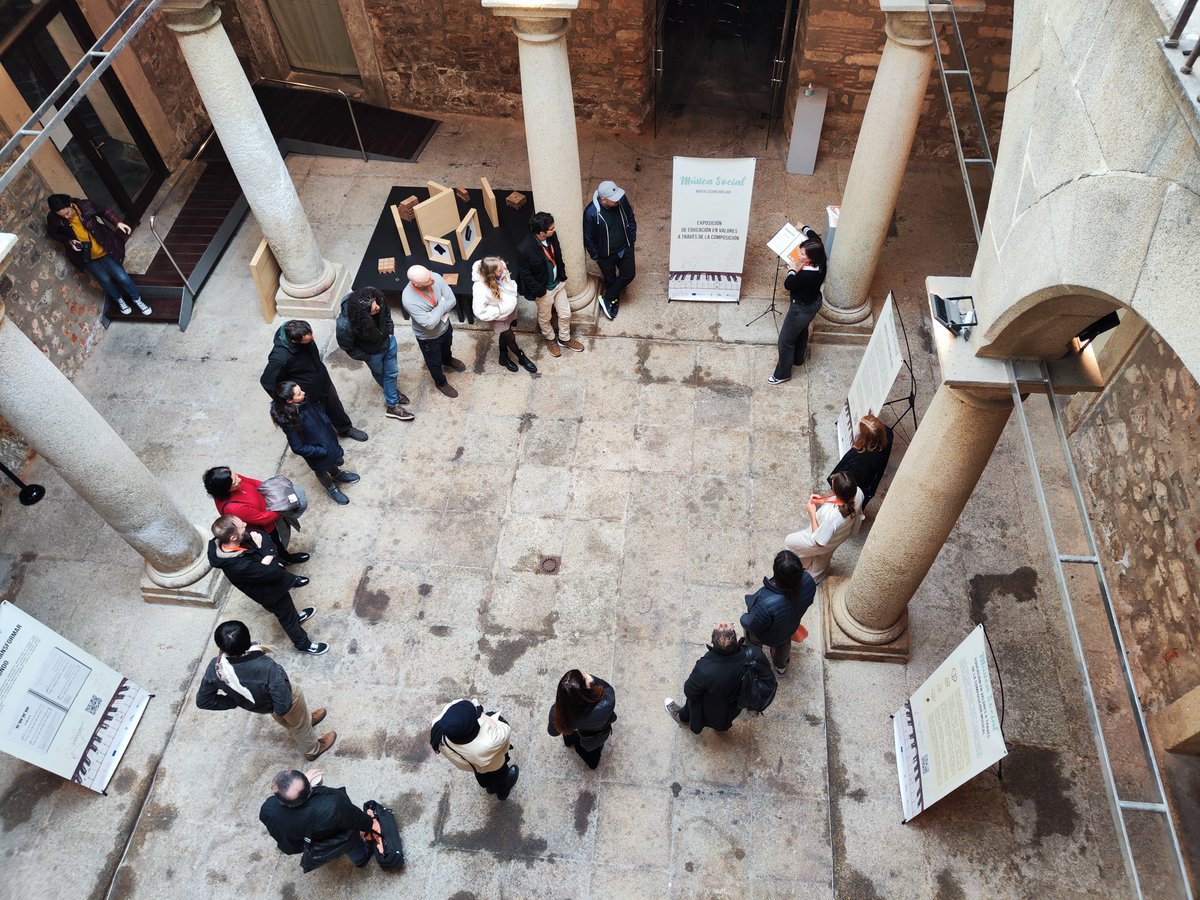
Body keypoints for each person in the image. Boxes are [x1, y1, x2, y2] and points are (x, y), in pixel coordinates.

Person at [196, 620, 336, 760]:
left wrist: (237, 700)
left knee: (287, 717)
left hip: (262, 704)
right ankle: (312, 749)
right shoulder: (265, 666)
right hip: (285, 701)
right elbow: (283, 705)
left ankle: (304, 720)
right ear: (247, 639)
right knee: (297, 724)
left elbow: (204, 700)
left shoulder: (215, 669)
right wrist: (235, 702)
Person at [207, 514, 328, 655]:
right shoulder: (238, 566)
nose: (246, 524)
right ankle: (303, 644)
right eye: (241, 526)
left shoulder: (228, 542)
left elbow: (262, 536)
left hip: (272, 584)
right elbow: (272, 571)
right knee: (286, 618)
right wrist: (267, 552)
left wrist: (265, 558)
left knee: (288, 609)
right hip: (271, 593)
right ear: (233, 538)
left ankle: (296, 617)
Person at [260, 319, 369, 442]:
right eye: (308, 340)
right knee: (318, 420)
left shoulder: (301, 328)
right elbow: (267, 382)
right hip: (307, 393)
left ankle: (345, 429)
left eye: (311, 336)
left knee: (335, 407)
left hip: (323, 381)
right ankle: (329, 446)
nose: (312, 339)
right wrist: (286, 400)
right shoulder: (280, 358)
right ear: (295, 341)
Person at [45, 194, 151, 316]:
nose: (67, 217)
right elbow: (52, 233)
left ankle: (137, 299)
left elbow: (104, 210)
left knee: (122, 277)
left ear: (70, 205)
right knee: (105, 280)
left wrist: (117, 222)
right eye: (63, 216)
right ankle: (120, 301)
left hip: (103, 246)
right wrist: (68, 241)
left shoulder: (85, 205)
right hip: (85, 255)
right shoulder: (54, 218)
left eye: (68, 213)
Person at [664, 622, 774, 734]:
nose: (722, 624)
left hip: (712, 704)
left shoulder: (704, 668)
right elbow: (764, 672)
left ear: (713, 642)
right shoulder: (754, 654)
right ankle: (720, 729)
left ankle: (682, 718)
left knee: (694, 703)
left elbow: (689, 691)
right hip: (735, 703)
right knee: (723, 719)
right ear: (735, 641)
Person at [259, 770, 379, 869]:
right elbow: (356, 818)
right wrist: (370, 823)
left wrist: (302, 785)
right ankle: (361, 859)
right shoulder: (332, 806)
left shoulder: (268, 808)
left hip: (307, 841)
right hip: (335, 838)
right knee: (352, 843)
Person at [270, 380, 360, 505]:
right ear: (290, 401)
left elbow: (317, 411)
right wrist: (320, 451)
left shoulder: (303, 401)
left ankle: (337, 474)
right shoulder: (289, 420)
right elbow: (297, 447)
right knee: (321, 470)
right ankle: (331, 488)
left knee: (332, 461)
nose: (304, 393)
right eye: (299, 393)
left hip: (326, 438)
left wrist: (327, 423)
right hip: (317, 451)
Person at [335, 287, 414, 421]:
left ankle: (392, 400)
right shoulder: (345, 325)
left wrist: (390, 332)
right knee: (382, 374)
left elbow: (386, 314)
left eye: (376, 304)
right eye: (373, 309)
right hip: (373, 354)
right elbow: (348, 347)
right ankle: (392, 402)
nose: (377, 307)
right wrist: (368, 357)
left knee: (392, 373)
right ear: (363, 314)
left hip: (388, 343)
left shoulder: (376, 297)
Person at [202, 466, 308, 565]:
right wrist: (285, 507)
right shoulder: (233, 507)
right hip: (266, 528)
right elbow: (263, 518)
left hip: (272, 508)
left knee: (279, 543)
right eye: (234, 481)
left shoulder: (231, 478)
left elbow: (255, 483)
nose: (239, 479)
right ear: (225, 489)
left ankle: (285, 558)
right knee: (275, 545)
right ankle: (283, 562)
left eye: (236, 476)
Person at [516, 211, 582, 358]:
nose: (554, 230)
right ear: (541, 232)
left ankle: (564, 339)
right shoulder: (523, 249)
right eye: (551, 228)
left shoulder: (552, 237)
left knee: (565, 314)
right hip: (544, 290)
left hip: (558, 284)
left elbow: (558, 255)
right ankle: (550, 339)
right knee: (545, 318)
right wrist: (540, 291)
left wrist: (562, 275)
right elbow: (525, 275)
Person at [740, 550, 816, 676]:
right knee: (783, 644)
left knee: (752, 640)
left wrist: (743, 618)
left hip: (768, 635)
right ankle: (781, 666)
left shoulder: (766, 603)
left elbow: (752, 624)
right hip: (790, 626)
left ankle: (752, 661)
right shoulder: (809, 581)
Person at [768, 223, 827, 385]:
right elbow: (815, 238)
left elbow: (789, 284)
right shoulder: (821, 258)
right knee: (801, 331)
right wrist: (805, 227)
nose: (798, 255)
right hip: (814, 302)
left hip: (800, 308)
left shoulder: (806, 276)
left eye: (802, 254)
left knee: (785, 340)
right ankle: (798, 359)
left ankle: (782, 374)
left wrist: (792, 270)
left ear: (811, 258)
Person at [430, 698, 519, 800]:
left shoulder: (438, 731)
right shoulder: (489, 742)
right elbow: (505, 729)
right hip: (493, 763)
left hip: (471, 764)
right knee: (499, 774)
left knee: (481, 773)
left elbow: (457, 704)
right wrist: (485, 717)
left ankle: (488, 787)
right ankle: (502, 792)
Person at [783, 471, 864, 583]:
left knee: (789, 541)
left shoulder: (832, 517)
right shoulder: (858, 493)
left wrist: (812, 513)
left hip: (822, 539)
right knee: (823, 557)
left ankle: (807, 577)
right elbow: (841, 499)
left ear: (836, 491)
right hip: (838, 537)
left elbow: (819, 541)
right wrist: (822, 499)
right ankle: (818, 573)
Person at [401, 265, 466, 398]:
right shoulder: (409, 300)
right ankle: (440, 382)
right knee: (433, 361)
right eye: (428, 280)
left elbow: (452, 301)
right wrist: (442, 304)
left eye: (430, 275)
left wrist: (433, 313)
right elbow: (429, 324)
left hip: (445, 326)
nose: (433, 280)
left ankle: (447, 359)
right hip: (428, 338)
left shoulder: (433, 276)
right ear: (416, 284)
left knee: (447, 346)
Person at [471, 256, 536, 375]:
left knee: (505, 335)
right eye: (500, 270)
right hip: (499, 317)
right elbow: (479, 311)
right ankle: (521, 357)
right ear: (491, 274)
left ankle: (503, 356)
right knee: (510, 337)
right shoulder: (480, 288)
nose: (503, 271)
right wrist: (499, 312)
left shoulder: (500, 268)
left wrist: (508, 304)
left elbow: (508, 283)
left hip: (508, 311)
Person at [582, 180, 637, 321]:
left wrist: (632, 236)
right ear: (603, 200)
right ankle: (613, 297)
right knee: (610, 278)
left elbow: (630, 217)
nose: (618, 200)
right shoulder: (591, 213)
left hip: (625, 246)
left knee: (629, 274)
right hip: (605, 254)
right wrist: (596, 256)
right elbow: (588, 238)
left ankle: (608, 297)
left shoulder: (620, 199)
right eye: (614, 200)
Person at [546, 669, 617, 770]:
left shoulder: (556, 711)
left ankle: (569, 742)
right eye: (585, 678)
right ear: (584, 693)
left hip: (572, 728)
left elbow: (553, 732)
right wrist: (594, 680)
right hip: (594, 734)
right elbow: (608, 688)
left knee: (569, 735)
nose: (587, 676)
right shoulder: (607, 705)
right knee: (592, 756)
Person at [828, 414, 893, 507]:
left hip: (859, 487)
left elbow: (847, 480)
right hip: (872, 481)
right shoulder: (888, 434)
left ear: (865, 438)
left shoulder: (858, 457)